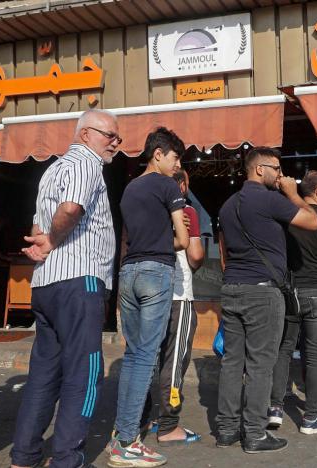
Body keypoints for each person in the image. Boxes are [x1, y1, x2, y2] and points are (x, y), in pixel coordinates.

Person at [10, 109, 119, 468]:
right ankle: (66, 459)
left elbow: (37, 224)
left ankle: (24, 457)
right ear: (86, 134)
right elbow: (70, 210)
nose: (116, 145)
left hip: (46, 284)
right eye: (110, 136)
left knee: (43, 375)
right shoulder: (86, 163)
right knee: (85, 373)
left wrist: (44, 243)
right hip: (79, 281)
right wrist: (55, 240)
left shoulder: (51, 170)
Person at [216, 147, 317, 453]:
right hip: (262, 291)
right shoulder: (271, 198)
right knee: (261, 364)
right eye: (277, 168)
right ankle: (255, 433)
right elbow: (313, 221)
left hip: (232, 286)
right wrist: (292, 193)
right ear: (260, 169)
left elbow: (223, 252)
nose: (281, 174)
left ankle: (226, 430)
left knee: (232, 363)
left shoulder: (227, 205)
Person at [109, 127, 189, 468]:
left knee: (133, 356)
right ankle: (127, 441)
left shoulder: (129, 189)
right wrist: (167, 240)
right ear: (158, 154)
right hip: (156, 272)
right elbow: (183, 239)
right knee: (145, 358)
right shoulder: (167, 186)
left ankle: (121, 434)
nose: (177, 164)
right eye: (174, 157)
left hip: (127, 273)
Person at [268, 171, 317, 435]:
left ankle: (275, 408)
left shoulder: (286, 217)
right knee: (315, 355)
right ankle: (311, 418)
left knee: (284, 348)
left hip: (290, 290)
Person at [149, 168, 205, 445]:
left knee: (149, 358)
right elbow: (195, 255)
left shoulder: (145, 209)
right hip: (178, 294)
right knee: (175, 359)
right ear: (181, 186)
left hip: (148, 293)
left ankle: (145, 418)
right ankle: (168, 424)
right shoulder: (186, 212)